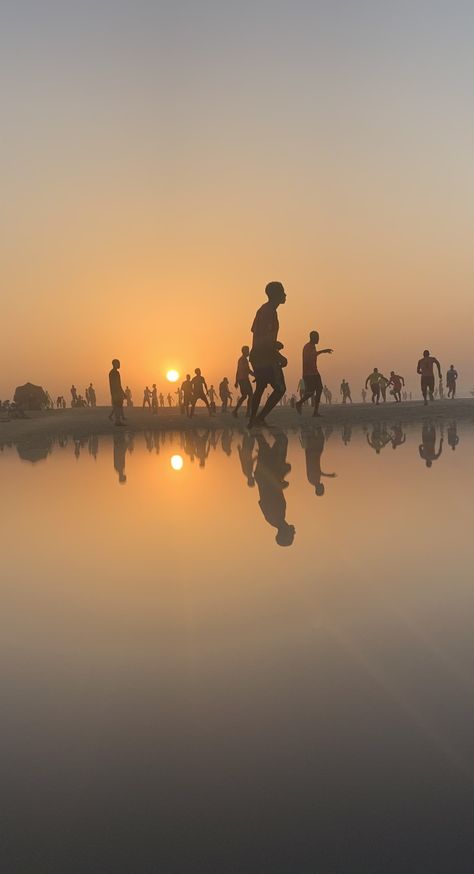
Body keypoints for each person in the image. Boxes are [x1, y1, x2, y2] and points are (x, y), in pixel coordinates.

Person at [248, 281, 287, 428]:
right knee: (280, 389)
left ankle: (253, 420)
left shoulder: (263, 310)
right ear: (276, 295)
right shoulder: (268, 312)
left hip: (257, 356)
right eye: (283, 292)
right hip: (265, 356)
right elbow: (264, 339)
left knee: (260, 386)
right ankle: (259, 418)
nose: (285, 295)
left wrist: (274, 345)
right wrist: (278, 355)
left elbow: (256, 333)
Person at [253, 432, 295, 546]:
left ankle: (257, 422)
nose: (294, 533)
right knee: (265, 442)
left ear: (284, 533)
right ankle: (257, 422)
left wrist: (278, 485)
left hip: (267, 474)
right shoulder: (277, 518)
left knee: (281, 440)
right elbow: (262, 501)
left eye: (291, 535)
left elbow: (266, 497)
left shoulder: (275, 517)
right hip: (267, 474)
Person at [295, 331, 333, 417]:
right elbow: (311, 356)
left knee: (319, 389)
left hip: (314, 372)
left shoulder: (313, 346)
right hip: (309, 373)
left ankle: (315, 411)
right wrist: (323, 351)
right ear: (312, 338)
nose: (318, 339)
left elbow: (313, 355)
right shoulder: (307, 347)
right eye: (317, 337)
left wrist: (323, 351)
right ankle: (299, 403)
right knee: (311, 392)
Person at [300, 427, 336, 495]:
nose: (323, 487)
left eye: (322, 489)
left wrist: (329, 475)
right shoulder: (313, 481)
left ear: (318, 489)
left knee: (320, 439)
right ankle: (315, 427)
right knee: (318, 439)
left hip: (313, 454)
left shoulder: (314, 480)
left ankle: (316, 426)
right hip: (313, 454)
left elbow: (317, 471)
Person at [233, 345, 254, 418]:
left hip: (243, 380)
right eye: (247, 351)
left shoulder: (242, 359)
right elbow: (247, 370)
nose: (248, 352)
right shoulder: (243, 360)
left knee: (245, 396)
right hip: (244, 380)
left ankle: (235, 411)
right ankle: (248, 412)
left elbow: (238, 371)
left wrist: (236, 381)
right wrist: (255, 375)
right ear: (244, 351)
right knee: (250, 395)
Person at [108, 359, 126, 426]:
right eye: (118, 363)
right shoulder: (114, 373)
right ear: (114, 364)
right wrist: (121, 393)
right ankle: (117, 421)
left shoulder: (113, 372)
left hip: (115, 392)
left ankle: (118, 420)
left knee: (118, 406)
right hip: (116, 392)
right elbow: (117, 384)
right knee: (117, 406)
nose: (119, 365)